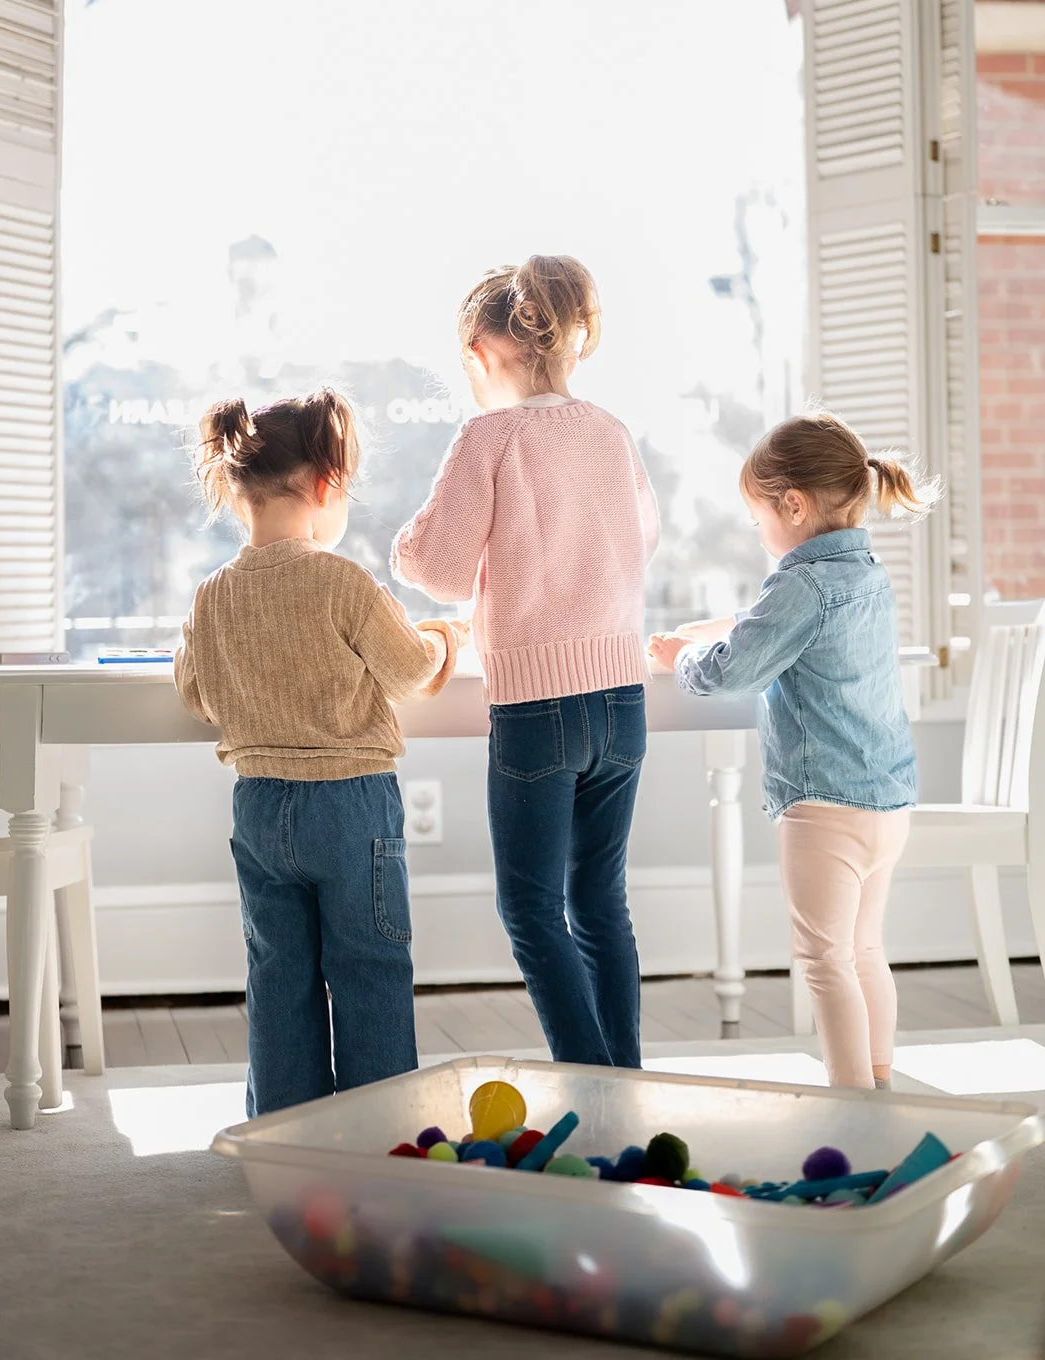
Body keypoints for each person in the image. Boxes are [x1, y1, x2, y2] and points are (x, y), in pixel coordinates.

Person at [392, 256, 659, 1068]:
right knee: (599, 904)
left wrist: (405, 545)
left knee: (532, 910)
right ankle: (627, 1084)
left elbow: (436, 568)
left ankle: (591, 1085)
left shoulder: (488, 436)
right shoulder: (610, 431)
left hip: (537, 712)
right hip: (622, 703)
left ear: (480, 351)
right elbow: (644, 540)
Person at [174, 387, 465, 1116]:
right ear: (326, 485)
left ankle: (285, 1128)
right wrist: (444, 637)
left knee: (278, 975)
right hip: (350, 805)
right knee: (368, 968)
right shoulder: (341, 581)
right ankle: (376, 1129)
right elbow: (407, 672)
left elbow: (197, 693)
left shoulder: (213, 595)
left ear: (238, 491)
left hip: (260, 803)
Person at [649, 412, 935, 1091]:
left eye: (758, 520)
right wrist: (712, 630)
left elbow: (731, 672)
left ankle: (849, 1104)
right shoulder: (864, 571)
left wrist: (683, 655)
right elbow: (779, 628)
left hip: (823, 806)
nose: (759, 535)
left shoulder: (798, 582)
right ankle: (877, 1081)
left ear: (793, 505)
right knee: (864, 948)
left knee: (821, 960)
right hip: (885, 802)